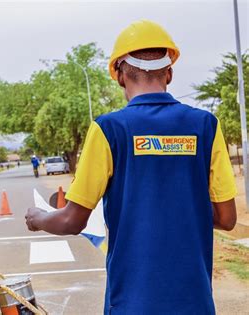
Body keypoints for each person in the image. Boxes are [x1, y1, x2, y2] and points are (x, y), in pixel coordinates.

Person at [25, 20, 237, 314]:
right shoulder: (206, 126)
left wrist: (37, 218)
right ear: (170, 73)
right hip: (195, 302)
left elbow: (72, 221)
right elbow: (226, 218)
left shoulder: (108, 129)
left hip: (132, 303)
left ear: (121, 76)